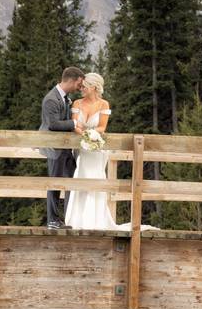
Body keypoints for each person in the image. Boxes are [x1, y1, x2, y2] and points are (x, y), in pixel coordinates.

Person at [63, 72, 158, 231]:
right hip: (82, 148)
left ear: (93, 87)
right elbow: (75, 125)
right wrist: (84, 134)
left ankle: (95, 221)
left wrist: (93, 135)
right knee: (81, 179)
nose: (81, 89)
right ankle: (78, 220)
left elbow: (102, 127)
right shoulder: (77, 103)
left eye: (84, 87)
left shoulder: (103, 104)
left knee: (96, 179)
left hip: (96, 149)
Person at [39, 66, 85, 230]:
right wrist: (74, 123)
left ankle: (67, 218)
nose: (79, 88)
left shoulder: (65, 98)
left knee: (71, 181)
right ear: (72, 80)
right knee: (55, 183)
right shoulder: (51, 99)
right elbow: (53, 124)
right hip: (54, 148)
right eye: (79, 84)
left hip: (65, 148)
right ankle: (52, 220)